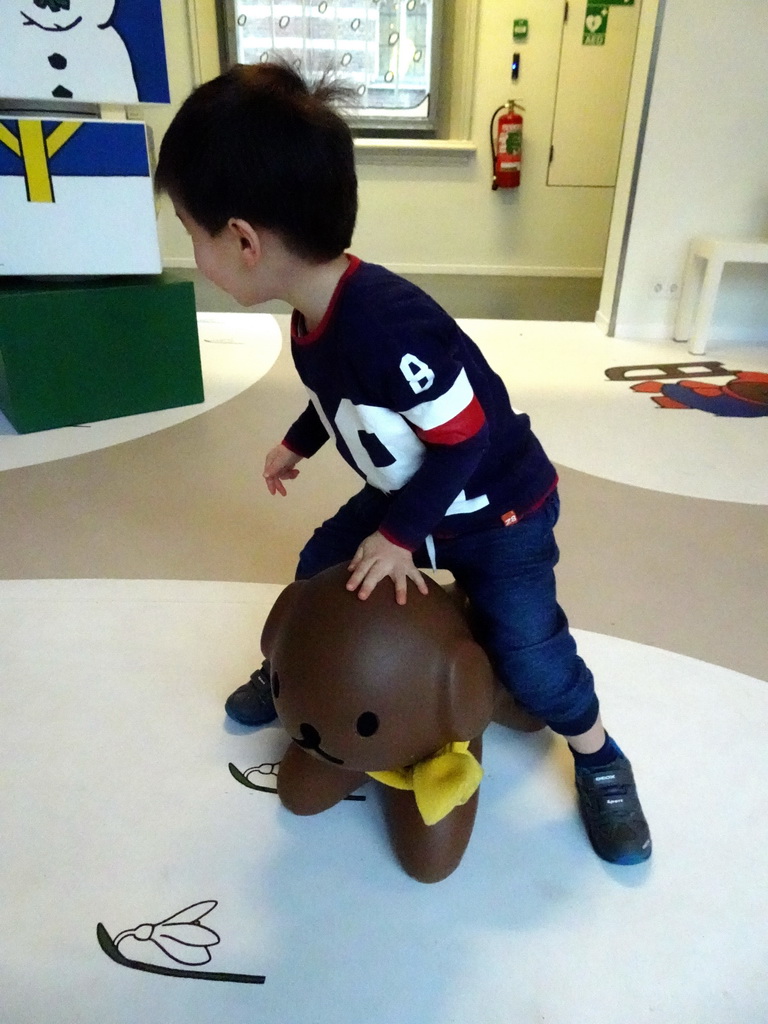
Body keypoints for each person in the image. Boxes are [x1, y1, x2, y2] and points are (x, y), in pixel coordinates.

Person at [155, 60, 651, 866]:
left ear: (243, 241)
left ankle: (601, 758)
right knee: (320, 562)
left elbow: (469, 438)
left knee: (528, 648)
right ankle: (302, 673)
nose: (195, 251)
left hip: (497, 510)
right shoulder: (315, 314)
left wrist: (396, 538)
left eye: (190, 231)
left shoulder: (388, 323)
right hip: (414, 492)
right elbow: (342, 399)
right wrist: (300, 442)